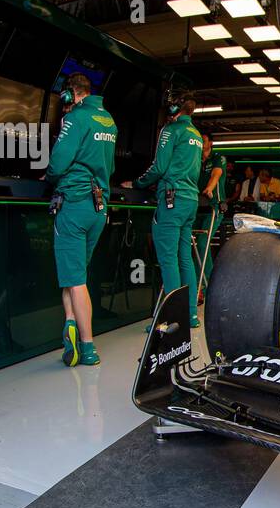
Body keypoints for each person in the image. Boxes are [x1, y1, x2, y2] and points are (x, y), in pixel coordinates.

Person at [46, 73, 116, 367]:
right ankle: (71, 326)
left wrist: (49, 176)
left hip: (73, 204)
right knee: (76, 275)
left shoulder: (75, 118)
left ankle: (88, 349)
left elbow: (59, 161)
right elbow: (109, 166)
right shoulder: (109, 120)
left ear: (70, 94)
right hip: (98, 207)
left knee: (75, 280)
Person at [122, 95, 204, 327]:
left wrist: (136, 183)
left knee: (168, 260)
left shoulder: (171, 130)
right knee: (184, 258)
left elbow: (159, 167)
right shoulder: (196, 135)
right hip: (190, 200)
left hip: (172, 199)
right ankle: (191, 315)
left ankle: (172, 318)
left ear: (175, 108)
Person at [195, 133, 224, 302]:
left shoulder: (218, 158)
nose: (200, 143)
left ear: (210, 143)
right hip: (196, 207)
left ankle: (210, 286)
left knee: (202, 243)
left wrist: (209, 188)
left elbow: (216, 174)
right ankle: (196, 286)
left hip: (213, 207)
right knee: (191, 244)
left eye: (203, 140)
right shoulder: (195, 158)